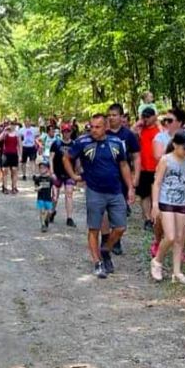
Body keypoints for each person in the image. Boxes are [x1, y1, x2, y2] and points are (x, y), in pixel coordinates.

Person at [63, 114, 136, 279]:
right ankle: (97, 262)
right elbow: (66, 157)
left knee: (120, 227)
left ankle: (105, 250)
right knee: (94, 228)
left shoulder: (116, 143)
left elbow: (124, 165)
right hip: (94, 191)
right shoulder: (82, 142)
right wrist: (74, 176)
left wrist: (130, 187)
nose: (93, 130)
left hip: (116, 190)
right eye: (92, 126)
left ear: (106, 127)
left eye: (98, 127)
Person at [150, 131, 185, 285]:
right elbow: (158, 183)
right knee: (171, 236)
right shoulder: (166, 160)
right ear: (175, 145)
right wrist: (155, 204)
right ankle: (157, 260)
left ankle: (177, 272)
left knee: (180, 239)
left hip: (182, 202)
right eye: (183, 148)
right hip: (166, 201)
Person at [107, 103, 141, 255]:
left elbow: (136, 157)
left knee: (118, 210)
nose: (111, 118)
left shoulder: (128, 135)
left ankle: (117, 241)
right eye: (109, 115)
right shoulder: (104, 133)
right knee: (106, 210)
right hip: (106, 176)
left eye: (114, 115)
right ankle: (107, 239)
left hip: (123, 177)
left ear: (121, 117)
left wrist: (136, 178)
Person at [137, 107, 161, 230]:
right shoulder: (141, 130)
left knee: (156, 194)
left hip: (157, 167)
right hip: (143, 167)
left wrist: (159, 123)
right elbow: (129, 135)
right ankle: (147, 219)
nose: (145, 119)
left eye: (148, 116)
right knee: (144, 194)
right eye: (143, 116)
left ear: (154, 117)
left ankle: (155, 217)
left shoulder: (159, 130)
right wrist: (138, 124)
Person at [50, 124, 77, 227]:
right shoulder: (56, 144)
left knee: (69, 194)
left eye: (68, 131)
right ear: (62, 132)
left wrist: (77, 173)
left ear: (71, 132)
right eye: (65, 131)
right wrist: (52, 172)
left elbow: (77, 160)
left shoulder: (74, 144)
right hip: (57, 173)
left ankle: (69, 218)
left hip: (69, 173)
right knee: (55, 197)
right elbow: (51, 158)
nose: (67, 133)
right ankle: (52, 212)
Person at [0, 123, 21, 194]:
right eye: (11, 124)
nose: (12, 126)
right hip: (5, 154)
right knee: (5, 171)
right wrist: (4, 131)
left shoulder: (17, 134)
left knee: (14, 171)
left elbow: (20, 145)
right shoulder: (5, 133)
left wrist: (20, 155)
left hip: (14, 154)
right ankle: (5, 187)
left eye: (13, 125)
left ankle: (14, 187)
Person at [33, 159, 55, 232]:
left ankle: (46, 220)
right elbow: (35, 188)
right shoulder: (37, 179)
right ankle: (43, 225)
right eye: (40, 168)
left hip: (48, 198)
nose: (42, 169)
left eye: (44, 167)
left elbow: (53, 187)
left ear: (47, 169)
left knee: (49, 212)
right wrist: (38, 188)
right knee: (42, 211)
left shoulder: (50, 179)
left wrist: (54, 195)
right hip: (40, 198)